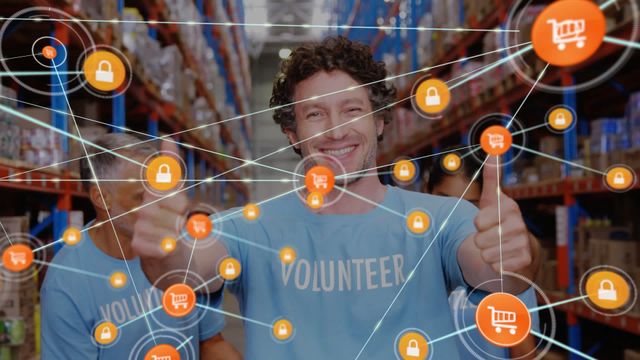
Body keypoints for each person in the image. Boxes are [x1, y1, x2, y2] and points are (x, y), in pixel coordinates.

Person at [133, 36, 541, 359]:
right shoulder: (252, 226)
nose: (335, 130)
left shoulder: (442, 218)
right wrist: (160, 248)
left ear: (380, 121)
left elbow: (493, 273)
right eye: (314, 114)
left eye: (351, 110)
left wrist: (511, 256)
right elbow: (187, 270)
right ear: (292, 134)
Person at [40, 133, 241, 359]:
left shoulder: (181, 253)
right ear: (102, 198)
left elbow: (212, 343)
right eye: (142, 197)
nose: (157, 209)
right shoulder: (67, 284)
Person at [425, 148, 541, 359]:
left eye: (468, 205)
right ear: (427, 193)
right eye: (445, 202)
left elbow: (523, 351)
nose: (454, 216)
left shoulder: (500, 264)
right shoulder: (409, 258)